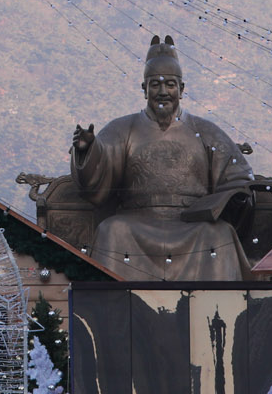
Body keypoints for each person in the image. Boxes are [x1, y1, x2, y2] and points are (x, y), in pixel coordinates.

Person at [72, 35, 255, 280]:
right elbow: (100, 168)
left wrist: (236, 196)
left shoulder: (206, 131)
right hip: (136, 220)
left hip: (193, 223)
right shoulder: (123, 128)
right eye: (155, 85)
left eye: (169, 84)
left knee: (220, 235)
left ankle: (217, 308)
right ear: (144, 89)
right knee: (112, 229)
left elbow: (238, 175)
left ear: (181, 89)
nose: (163, 92)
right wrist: (87, 150)